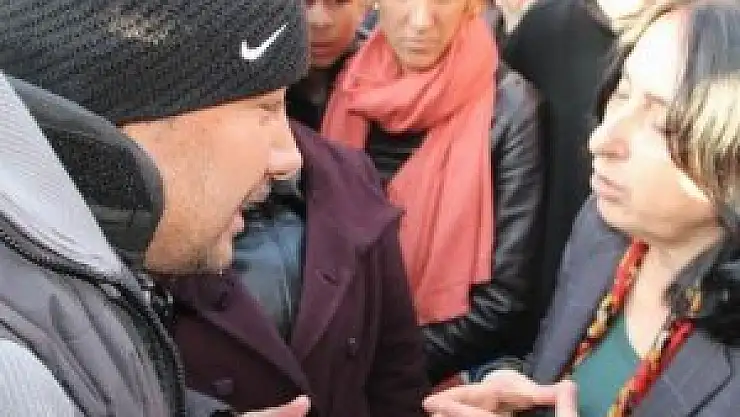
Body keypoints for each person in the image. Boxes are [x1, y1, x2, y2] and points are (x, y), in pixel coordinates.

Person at [0, 0, 394, 415]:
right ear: (135, 113)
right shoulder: (17, 372)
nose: (288, 158)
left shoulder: (67, 282)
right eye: (265, 108)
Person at [424, 1, 740, 415]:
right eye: (622, 93)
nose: (601, 139)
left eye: (661, 124)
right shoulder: (602, 230)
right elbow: (558, 373)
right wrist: (514, 392)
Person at [321, 0, 544, 384]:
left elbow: (502, 302)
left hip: (422, 377)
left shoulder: (509, 108)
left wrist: (374, 370)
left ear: (470, 7)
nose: (422, 21)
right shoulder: (346, 78)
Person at [502, 0, 655, 315]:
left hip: (650, 304)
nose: (601, 143)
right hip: (535, 296)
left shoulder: (707, 46)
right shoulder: (546, 27)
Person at [287, 0, 369, 130]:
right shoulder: (256, 79)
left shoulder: (390, 80)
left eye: (338, 1)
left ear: (364, 6)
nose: (319, 21)